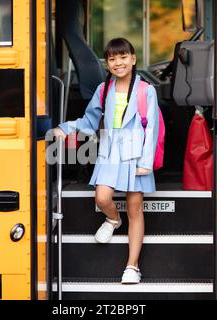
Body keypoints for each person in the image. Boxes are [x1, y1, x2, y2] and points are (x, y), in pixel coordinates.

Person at [52, 38, 159, 284]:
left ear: (133, 59)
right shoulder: (104, 89)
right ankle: (113, 219)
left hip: (136, 153)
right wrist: (67, 128)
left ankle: (132, 266)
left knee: (135, 208)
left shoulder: (146, 90)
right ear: (107, 64)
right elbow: (90, 121)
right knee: (101, 197)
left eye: (123, 57)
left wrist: (146, 161)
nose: (118, 63)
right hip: (110, 151)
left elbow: (150, 127)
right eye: (112, 59)